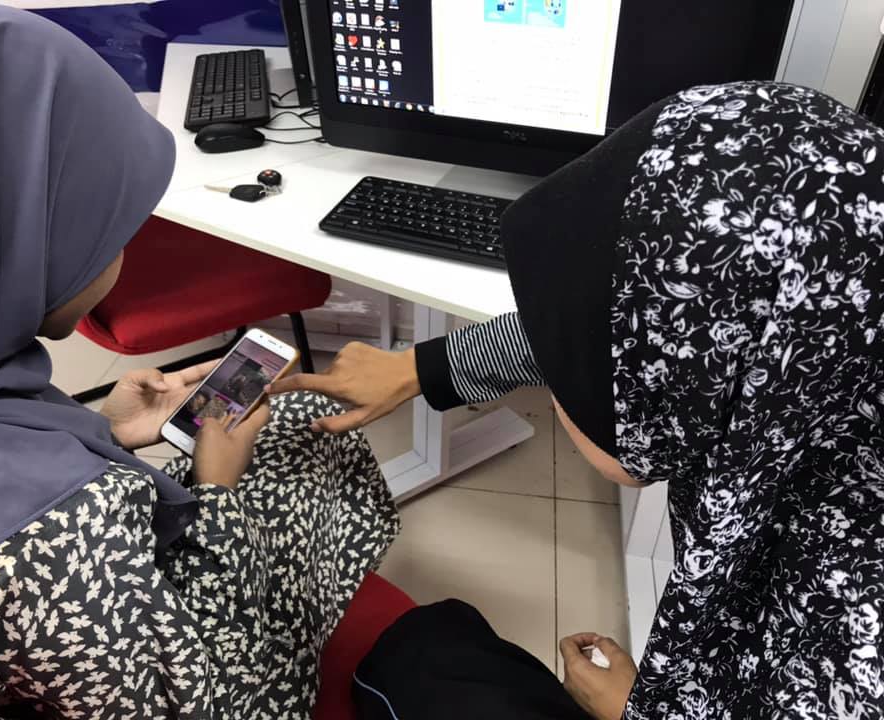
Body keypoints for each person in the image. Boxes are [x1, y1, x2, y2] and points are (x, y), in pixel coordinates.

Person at [269, 81, 884, 718]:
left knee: (420, 662)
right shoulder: (825, 353)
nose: (558, 372)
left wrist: (634, 711)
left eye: (573, 368)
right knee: (431, 646)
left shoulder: (854, 651)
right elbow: (623, 324)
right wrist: (420, 368)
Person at [0, 6, 397, 720]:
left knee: (289, 413)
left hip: (92, 618)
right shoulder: (54, 542)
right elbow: (208, 703)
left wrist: (104, 433)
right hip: (206, 667)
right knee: (303, 426)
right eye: (110, 226)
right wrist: (216, 489)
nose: (121, 253)